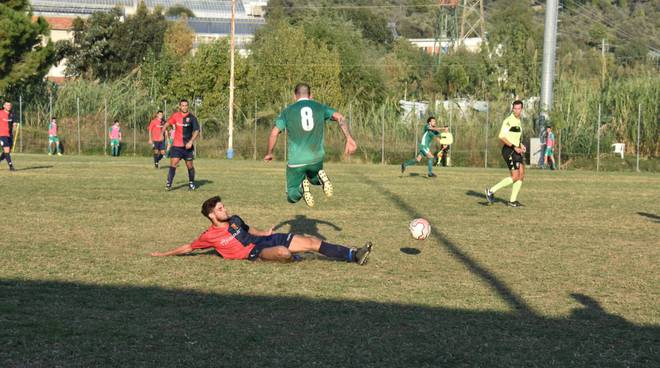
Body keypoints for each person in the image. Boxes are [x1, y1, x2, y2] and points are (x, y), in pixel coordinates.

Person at [150, 195, 373, 265]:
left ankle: (353, 254)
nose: (224, 209)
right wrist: (164, 254)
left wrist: (265, 233)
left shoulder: (235, 220)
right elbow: (189, 247)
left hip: (265, 240)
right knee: (284, 253)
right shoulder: (209, 236)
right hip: (253, 253)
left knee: (312, 242)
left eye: (223, 206)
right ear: (211, 215)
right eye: (220, 208)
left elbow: (250, 229)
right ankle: (292, 257)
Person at [264, 83, 357, 207]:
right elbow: (340, 117)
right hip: (316, 157)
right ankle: (320, 176)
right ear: (310, 95)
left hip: (297, 161)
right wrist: (349, 138)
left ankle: (302, 187)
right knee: (314, 178)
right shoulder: (319, 107)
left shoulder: (287, 111)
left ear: (294, 96)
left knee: (291, 195)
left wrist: (270, 152)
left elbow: (274, 133)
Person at [485, 100, 527, 207]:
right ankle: (491, 191)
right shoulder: (508, 121)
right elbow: (502, 136)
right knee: (515, 176)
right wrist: (514, 146)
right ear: (512, 109)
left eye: (519, 108)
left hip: (516, 149)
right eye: (515, 108)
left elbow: (515, 136)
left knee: (521, 175)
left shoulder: (518, 121)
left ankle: (512, 201)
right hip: (509, 151)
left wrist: (520, 145)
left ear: (521, 109)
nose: (517, 110)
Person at [164, 99, 200, 191]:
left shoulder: (192, 118)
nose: (184, 107)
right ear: (180, 106)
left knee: (190, 165)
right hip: (176, 146)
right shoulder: (175, 116)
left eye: (186, 105)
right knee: (173, 163)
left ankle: (191, 183)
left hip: (187, 146)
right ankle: (169, 183)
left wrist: (191, 141)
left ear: (188, 106)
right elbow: (168, 123)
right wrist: (163, 130)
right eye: (183, 105)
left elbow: (196, 131)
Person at [0, 101, 18, 171]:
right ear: (4, 106)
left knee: (7, 152)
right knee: (6, 149)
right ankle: (11, 166)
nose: (9, 106)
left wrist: (14, 125)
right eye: (7, 105)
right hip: (2, 134)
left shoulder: (11, 114)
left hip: (9, 135)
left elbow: (14, 123)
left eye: (10, 105)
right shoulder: (0, 112)